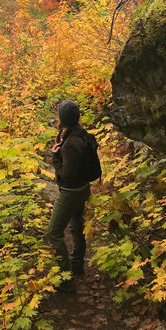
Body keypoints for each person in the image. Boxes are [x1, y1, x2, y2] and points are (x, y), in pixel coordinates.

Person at [46, 100, 90, 293]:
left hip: (71, 193)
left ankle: (65, 278)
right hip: (83, 189)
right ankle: (77, 265)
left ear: (63, 119)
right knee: (76, 226)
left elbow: (67, 174)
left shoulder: (71, 143)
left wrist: (55, 159)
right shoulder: (80, 134)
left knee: (54, 233)